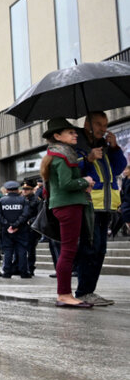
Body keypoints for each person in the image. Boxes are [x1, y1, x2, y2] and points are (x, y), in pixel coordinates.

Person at [40, 119, 95, 308]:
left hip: (66, 205)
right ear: (57, 136)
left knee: (68, 250)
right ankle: (64, 294)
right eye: (70, 132)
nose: (76, 135)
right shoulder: (62, 156)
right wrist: (85, 181)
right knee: (69, 250)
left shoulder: (57, 155)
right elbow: (66, 184)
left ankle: (65, 293)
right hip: (68, 206)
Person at [75, 111, 124, 306]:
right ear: (87, 123)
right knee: (90, 249)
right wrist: (88, 159)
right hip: (89, 205)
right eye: (98, 124)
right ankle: (83, 291)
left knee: (100, 250)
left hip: (106, 206)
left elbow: (119, 168)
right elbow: (73, 171)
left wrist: (115, 147)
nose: (103, 129)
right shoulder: (79, 144)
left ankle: (90, 291)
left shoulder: (104, 146)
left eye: (105, 125)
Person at [0, 180, 32, 279]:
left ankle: (7, 272)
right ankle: (24, 272)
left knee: (8, 251)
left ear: (6, 190)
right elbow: (26, 215)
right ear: (17, 189)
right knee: (22, 251)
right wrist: (16, 225)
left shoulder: (1, 201)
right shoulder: (23, 200)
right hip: (21, 229)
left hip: (6, 231)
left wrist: (8, 225)